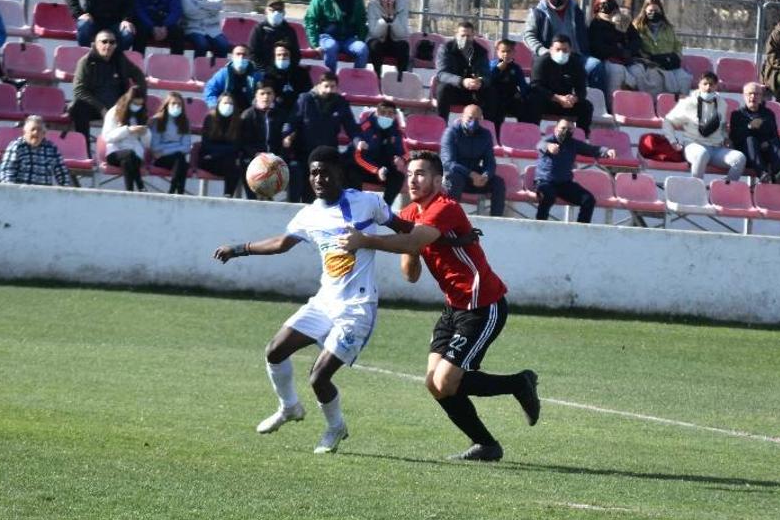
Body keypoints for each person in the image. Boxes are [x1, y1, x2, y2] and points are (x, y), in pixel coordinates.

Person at [337, 150, 540, 461]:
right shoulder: (409, 215)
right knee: (434, 384)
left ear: (437, 179)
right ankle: (486, 445)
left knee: (447, 380)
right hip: (453, 308)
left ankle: (519, 383)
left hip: (482, 304)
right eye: (410, 174)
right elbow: (411, 275)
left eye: (420, 174)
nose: (413, 179)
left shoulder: (444, 207)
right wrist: (413, 247)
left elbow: (409, 241)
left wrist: (367, 240)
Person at [213, 146, 411, 453]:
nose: (318, 178)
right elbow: (281, 243)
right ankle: (289, 406)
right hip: (324, 301)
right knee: (275, 351)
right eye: (313, 172)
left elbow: (405, 231)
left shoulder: (368, 202)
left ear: (339, 172)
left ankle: (336, 428)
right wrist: (239, 248)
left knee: (319, 377)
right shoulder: (309, 215)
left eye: (324, 171)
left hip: (356, 309)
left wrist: (440, 238)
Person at [284, 72, 361, 202]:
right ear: (319, 86)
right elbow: (292, 121)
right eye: (326, 86)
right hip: (304, 153)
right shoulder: (305, 99)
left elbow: (351, 127)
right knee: (300, 182)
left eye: (333, 86)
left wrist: (358, 141)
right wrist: (287, 135)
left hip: (327, 156)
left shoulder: (341, 103)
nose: (329, 90)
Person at [68, 29, 146, 155]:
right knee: (78, 107)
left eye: (112, 42)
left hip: (118, 107)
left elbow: (139, 75)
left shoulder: (120, 59)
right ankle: (84, 152)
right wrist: (101, 108)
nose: (108, 45)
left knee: (137, 107)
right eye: (104, 42)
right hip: (94, 107)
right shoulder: (86, 62)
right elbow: (79, 90)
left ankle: (131, 154)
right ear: (95, 44)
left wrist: (140, 96)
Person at [662, 71, 747, 182]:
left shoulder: (722, 104)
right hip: (693, 145)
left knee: (739, 158)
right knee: (702, 154)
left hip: (716, 148)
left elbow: (722, 126)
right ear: (699, 85)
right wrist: (673, 141)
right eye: (705, 83)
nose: (708, 87)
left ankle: (723, 190)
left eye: (711, 84)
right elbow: (668, 121)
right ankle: (695, 190)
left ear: (716, 86)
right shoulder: (688, 103)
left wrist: (726, 137)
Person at [523, 0, 602, 91]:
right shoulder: (537, 13)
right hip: (549, 56)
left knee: (595, 65)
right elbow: (528, 35)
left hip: (575, 56)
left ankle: (594, 101)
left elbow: (585, 33)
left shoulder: (576, 12)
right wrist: (542, 50)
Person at [534, 117, 616, 224]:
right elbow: (540, 145)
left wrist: (606, 151)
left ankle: (581, 229)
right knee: (548, 196)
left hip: (564, 184)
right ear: (555, 129)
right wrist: (549, 147)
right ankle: (539, 226)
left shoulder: (573, 144)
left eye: (570, 129)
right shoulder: (548, 140)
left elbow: (591, 149)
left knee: (588, 200)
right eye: (563, 128)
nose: (566, 131)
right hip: (545, 182)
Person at [439, 104, 504, 216]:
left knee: (498, 182)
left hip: (475, 178)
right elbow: (448, 163)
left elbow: (490, 161)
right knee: (454, 179)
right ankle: (449, 217)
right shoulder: (450, 133)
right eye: (470, 118)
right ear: (462, 117)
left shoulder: (485, 134)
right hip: (455, 175)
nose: (473, 122)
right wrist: (470, 174)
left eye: (477, 119)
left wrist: (486, 175)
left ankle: (497, 220)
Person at [303, 0, 369, 72]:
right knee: (331, 47)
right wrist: (315, 44)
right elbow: (310, 20)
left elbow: (361, 20)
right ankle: (330, 79)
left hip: (349, 39)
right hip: (327, 37)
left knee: (362, 49)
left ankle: (356, 82)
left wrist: (361, 39)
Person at [589, 0, 651, 95]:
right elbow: (597, 46)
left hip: (627, 57)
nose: (606, 6)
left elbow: (636, 39)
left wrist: (629, 51)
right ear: (597, 7)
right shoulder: (596, 24)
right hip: (608, 59)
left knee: (638, 72)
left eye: (609, 2)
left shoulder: (624, 20)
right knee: (617, 71)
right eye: (602, 4)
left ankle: (640, 103)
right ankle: (613, 104)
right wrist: (619, 52)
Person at [529, 35, 593, 134]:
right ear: (551, 49)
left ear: (570, 50)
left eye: (565, 50)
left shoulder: (575, 63)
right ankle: (532, 134)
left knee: (586, 106)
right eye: (557, 49)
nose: (561, 53)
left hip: (566, 104)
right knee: (533, 101)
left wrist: (574, 98)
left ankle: (583, 137)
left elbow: (581, 89)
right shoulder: (542, 62)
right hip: (547, 101)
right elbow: (535, 86)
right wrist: (557, 98)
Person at [630, 0, 692, 95]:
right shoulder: (637, 27)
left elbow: (677, 48)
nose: (653, 13)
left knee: (684, 78)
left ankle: (679, 106)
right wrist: (648, 59)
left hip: (668, 64)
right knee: (653, 77)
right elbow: (635, 47)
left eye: (656, 10)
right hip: (648, 64)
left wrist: (673, 58)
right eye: (650, 11)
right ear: (645, 11)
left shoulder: (669, 29)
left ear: (661, 11)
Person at [349, 99, 406, 205]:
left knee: (398, 177)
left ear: (394, 116)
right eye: (383, 112)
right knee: (350, 174)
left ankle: (383, 209)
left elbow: (404, 152)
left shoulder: (397, 132)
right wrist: (376, 170)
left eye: (390, 114)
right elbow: (358, 157)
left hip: (383, 171)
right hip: (364, 169)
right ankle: (354, 207)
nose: (386, 116)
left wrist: (401, 159)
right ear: (376, 113)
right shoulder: (365, 129)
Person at [729, 82, 780, 184]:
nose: (753, 97)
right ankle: (762, 174)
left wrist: (766, 142)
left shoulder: (768, 113)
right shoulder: (737, 114)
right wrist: (749, 127)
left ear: (761, 97)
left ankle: (778, 173)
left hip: (765, 151)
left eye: (756, 94)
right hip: (747, 154)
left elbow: (774, 134)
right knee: (750, 140)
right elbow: (735, 138)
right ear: (744, 96)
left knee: (775, 141)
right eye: (749, 94)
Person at [433, 20, 491, 119]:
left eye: (468, 36)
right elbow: (442, 74)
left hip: (473, 91)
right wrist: (462, 81)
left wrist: (480, 82)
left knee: (492, 92)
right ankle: (442, 126)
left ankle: (490, 129)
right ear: (456, 35)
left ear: (473, 36)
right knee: (442, 89)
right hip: (454, 90)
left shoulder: (481, 51)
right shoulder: (446, 48)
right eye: (462, 36)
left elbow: (486, 74)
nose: (465, 39)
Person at [197, 92, 248, 197]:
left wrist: (216, 152)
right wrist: (225, 150)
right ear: (218, 104)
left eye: (230, 104)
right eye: (225, 103)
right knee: (230, 160)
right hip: (208, 161)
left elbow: (237, 146)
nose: (228, 106)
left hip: (222, 160)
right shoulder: (209, 119)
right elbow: (206, 145)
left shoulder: (238, 122)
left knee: (234, 165)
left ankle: (228, 195)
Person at [102, 85, 152, 192]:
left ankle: (129, 192)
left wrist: (145, 133)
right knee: (129, 155)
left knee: (128, 159)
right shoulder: (114, 112)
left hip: (135, 155)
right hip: (115, 152)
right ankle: (140, 186)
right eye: (135, 103)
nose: (137, 107)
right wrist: (127, 130)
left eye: (140, 104)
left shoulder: (142, 114)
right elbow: (107, 137)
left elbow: (147, 144)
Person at [238, 85, 290, 188]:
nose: (265, 97)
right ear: (256, 96)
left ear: (274, 96)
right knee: (245, 165)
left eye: (269, 93)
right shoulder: (247, 115)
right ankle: (253, 200)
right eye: (262, 93)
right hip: (254, 157)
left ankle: (291, 202)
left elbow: (284, 139)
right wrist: (256, 154)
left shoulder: (281, 115)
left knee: (295, 167)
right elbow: (243, 141)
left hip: (276, 158)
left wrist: (279, 155)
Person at [0, 115, 72, 186]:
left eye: (39, 130)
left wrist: (66, 190)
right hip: (21, 193)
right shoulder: (16, 146)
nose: (36, 132)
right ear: (24, 132)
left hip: (44, 194)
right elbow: (7, 173)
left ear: (44, 134)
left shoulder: (52, 148)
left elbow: (62, 173)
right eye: (33, 129)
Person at [147, 92, 194, 195]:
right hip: (161, 160)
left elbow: (186, 147)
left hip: (171, 157)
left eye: (179, 104)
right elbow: (155, 147)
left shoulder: (185, 122)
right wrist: (177, 146)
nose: (176, 106)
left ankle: (173, 191)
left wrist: (165, 149)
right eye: (173, 103)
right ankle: (179, 193)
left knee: (180, 159)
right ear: (167, 105)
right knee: (181, 159)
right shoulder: (158, 121)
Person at [483, 38, 533, 130]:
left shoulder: (516, 68)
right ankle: (494, 134)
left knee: (525, 109)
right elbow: (487, 80)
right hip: (495, 99)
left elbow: (523, 85)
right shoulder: (491, 65)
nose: (506, 54)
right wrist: (497, 70)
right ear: (498, 52)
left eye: (509, 51)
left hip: (511, 98)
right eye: (503, 51)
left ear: (513, 53)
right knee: (494, 110)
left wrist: (522, 94)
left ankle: (523, 133)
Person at [365, 0, 410, 78]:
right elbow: (374, 33)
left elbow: (402, 34)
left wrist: (393, 17)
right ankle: (377, 78)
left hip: (395, 40)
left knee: (404, 46)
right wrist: (385, 18)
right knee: (375, 45)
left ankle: (401, 78)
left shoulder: (402, 5)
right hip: (378, 39)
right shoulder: (373, 4)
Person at [260, 41, 312, 117]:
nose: (282, 58)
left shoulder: (302, 72)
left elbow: (307, 93)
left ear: (290, 56)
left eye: (285, 55)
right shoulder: (268, 75)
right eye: (279, 55)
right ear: (274, 57)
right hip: (276, 114)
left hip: (298, 112)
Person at [202, 44, 261, 111]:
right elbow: (210, 89)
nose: (241, 57)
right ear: (232, 56)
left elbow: (262, 93)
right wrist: (214, 106)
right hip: (227, 111)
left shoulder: (256, 76)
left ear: (249, 57)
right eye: (238, 54)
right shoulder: (223, 74)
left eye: (244, 55)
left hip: (249, 112)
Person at [248, 0, 300, 67]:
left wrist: (289, 68)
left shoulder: (289, 31)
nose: (276, 12)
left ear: (284, 13)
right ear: (266, 11)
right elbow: (252, 53)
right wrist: (263, 68)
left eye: (279, 10)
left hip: (285, 70)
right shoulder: (259, 29)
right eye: (272, 10)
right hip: (264, 70)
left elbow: (296, 54)